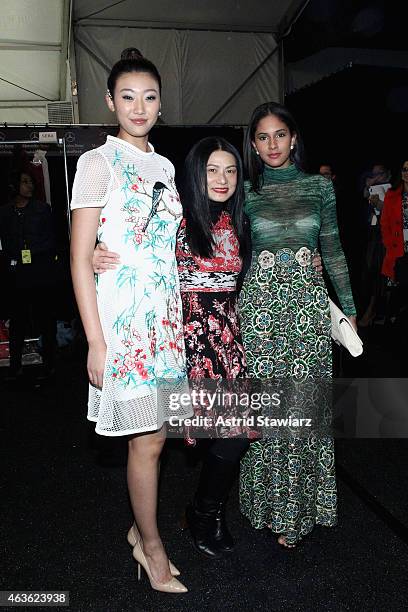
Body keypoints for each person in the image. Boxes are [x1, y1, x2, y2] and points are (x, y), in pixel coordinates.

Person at [69, 48, 189, 593]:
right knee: (145, 440)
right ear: (109, 102)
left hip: (165, 320)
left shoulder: (163, 164)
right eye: (127, 96)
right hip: (123, 324)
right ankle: (152, 546)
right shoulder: (97, 161)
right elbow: (78, 255)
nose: (139, 107)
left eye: (149, 97)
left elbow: (165, 243)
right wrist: (95, 341)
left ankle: (142, 534)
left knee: (158, 438)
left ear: (161, 104)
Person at [238, 101, 357, 548]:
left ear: (294, 138)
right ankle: (267, 505)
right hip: (261, 312)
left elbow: (335, 250)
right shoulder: (245, 190)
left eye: (280, 135)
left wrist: (348, 310)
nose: (272, 144)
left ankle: (300, 509)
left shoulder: (318, 187)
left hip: (308, 310)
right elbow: (207, 231)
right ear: (253, 143)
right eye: (263, 137)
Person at [0, 170, 57, 379]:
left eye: (31, 182)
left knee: (46, 321)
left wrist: (34, 253)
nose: (29, 186)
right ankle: (15, 367)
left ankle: (50, 365)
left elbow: (52, 240)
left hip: (40, 272)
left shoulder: (42, 209)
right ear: (15, 185)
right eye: (25, 182)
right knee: (17, 321)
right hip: (16, 275)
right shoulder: (5, 212)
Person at [380, 160, 408, 329]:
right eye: (404, 169)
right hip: (399, 250)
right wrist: (390, 244)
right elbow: (385, 223)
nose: (406, 172)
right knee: (399, 289)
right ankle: (394, 322)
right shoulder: (393, 194)